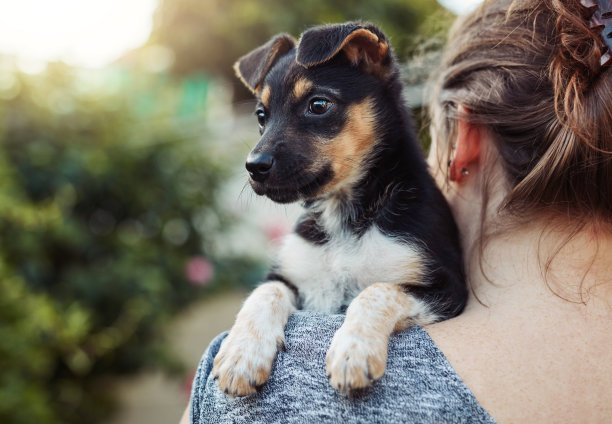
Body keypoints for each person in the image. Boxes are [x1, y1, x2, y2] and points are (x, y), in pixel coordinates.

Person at [181, 0, 612, 422]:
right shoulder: (310, 235)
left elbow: (442, 294)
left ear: (464, 136)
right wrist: (260, 312)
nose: (261, 151)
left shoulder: (413, 227)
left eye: (317, 108)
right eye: (264, 116)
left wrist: (377, 307)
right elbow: (284, 284)